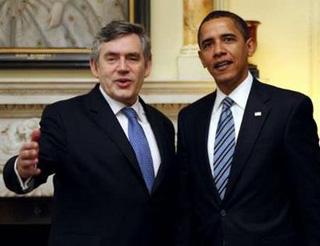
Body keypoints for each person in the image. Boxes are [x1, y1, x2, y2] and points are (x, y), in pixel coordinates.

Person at [3, 21, 177, 246]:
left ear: (148, 66)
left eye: (132, 58)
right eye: (112, 58)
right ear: (95, 67)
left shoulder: (162, 124)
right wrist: (21, 168)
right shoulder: (65, 116)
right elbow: (35, 168)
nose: (122, 67)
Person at [177, 10, 320, 246]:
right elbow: (186, 203)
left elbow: (311, 198)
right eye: (208, 44)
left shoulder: (289, 109)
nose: (219, 50)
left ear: (250, 46)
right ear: (202, 58)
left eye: (228, 39)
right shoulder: (190, 118)